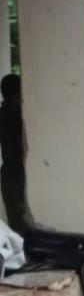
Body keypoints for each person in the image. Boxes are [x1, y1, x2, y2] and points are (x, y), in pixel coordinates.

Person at [0, 73, 35, 234]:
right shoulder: (17, 116)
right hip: (16, 172)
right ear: (17, 95)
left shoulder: (4, 114)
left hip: (9, 173)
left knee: (16, 219)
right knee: (21, 220)